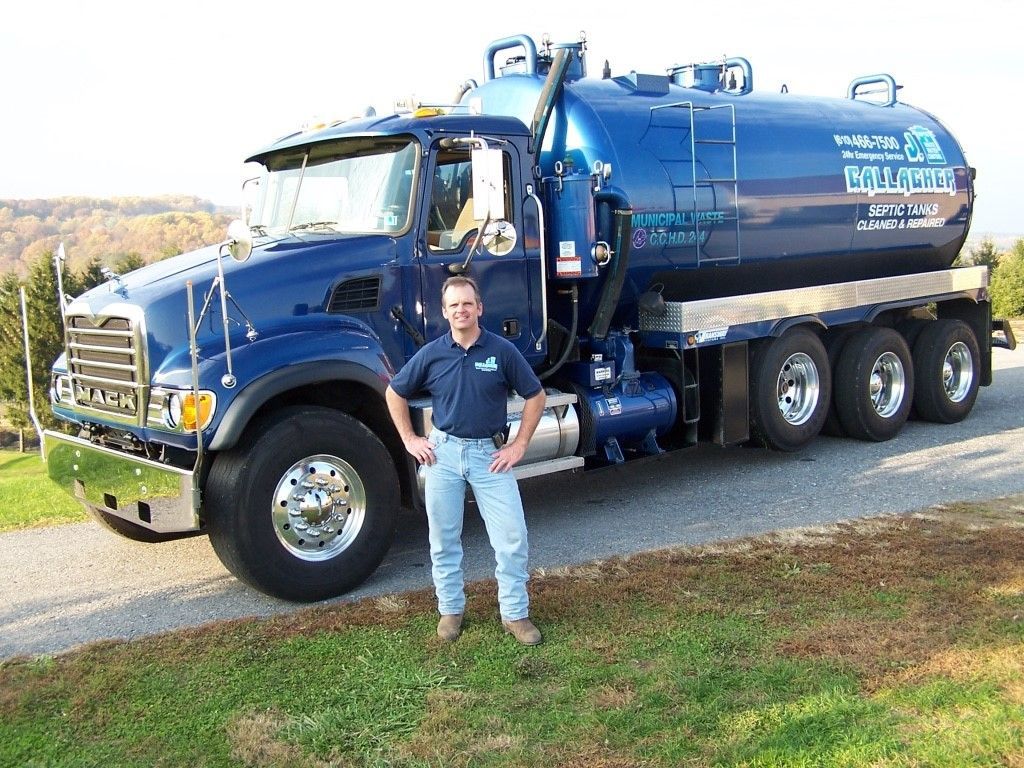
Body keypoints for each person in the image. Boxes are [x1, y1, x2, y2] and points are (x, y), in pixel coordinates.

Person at [385, 275, 547, 645]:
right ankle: (451, 611)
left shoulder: (502, 351)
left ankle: (515, 615)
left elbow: (535, 397)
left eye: (467, 303)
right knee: (443, 539)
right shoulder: (432, 354)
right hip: (443, 454)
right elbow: (394, 393)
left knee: (511, 537)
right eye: (454, 305)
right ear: (444, 312)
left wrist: (519, 444)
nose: (461, 310)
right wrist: (410, 439)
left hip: (490, 457)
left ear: (479, 308)